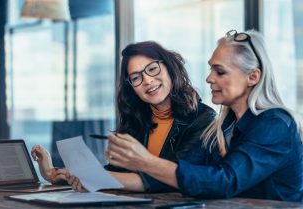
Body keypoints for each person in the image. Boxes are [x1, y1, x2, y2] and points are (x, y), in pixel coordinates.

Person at [106, 30, 303, 202]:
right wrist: (92, 178)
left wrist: (146, 162)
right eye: (211, 69)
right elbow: (183, 173)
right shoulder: (220, 128)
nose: (209, 78)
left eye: (219, 71)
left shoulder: (276, 124)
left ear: (252, 77)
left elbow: (224, 181)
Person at [31, 41, 216, 192]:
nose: (147, 81)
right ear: (132, 87)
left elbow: (174, 177)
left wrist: (94, 178)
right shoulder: (137, 119)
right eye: (136, 77)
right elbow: (116, 173)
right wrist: (54, 174)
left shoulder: (203, 119)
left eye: (152, 69)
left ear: (169, 67)